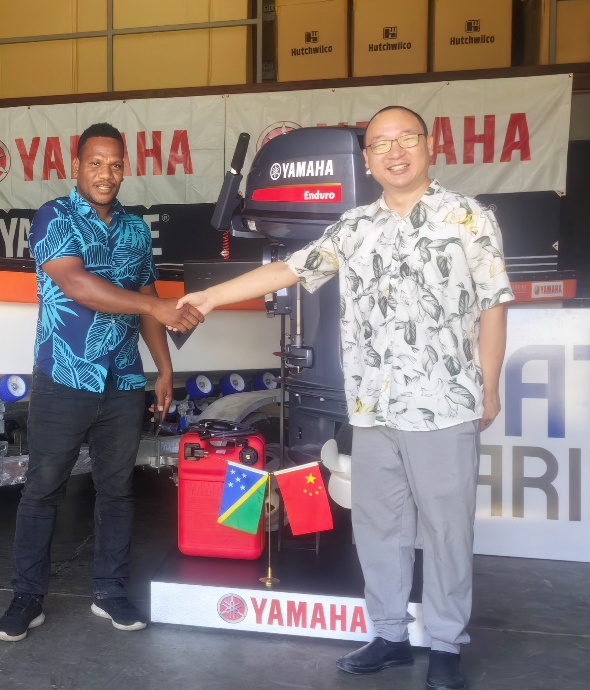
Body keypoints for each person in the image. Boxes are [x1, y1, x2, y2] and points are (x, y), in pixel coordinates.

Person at [177, 106, 512, 690]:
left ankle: (445, 646)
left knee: (446, 530)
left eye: (406, 139)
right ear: (367, 160)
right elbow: (287, 270)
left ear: (428, 147)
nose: (395, 151)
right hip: (374, 410)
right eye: (382, 144)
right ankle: (387, 634)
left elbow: (493, 305)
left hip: (443, 405)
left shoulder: (469, 218)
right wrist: (209, 298)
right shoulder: (354, 227)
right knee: (377, 528)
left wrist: (490, 382)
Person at [0, 122, 204, 642]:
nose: (105, 174)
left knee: (118, 490)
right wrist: (153, 303)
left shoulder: (134, 229)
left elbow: (146, 294)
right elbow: (77, 283)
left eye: (114, 164)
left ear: (124, 168)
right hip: (64, 377)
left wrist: (164, 368)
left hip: (123, 380)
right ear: (76, 166)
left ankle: (110, 593)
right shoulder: (54, 217)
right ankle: (27, 597)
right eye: (95, 163)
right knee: (43, 490)